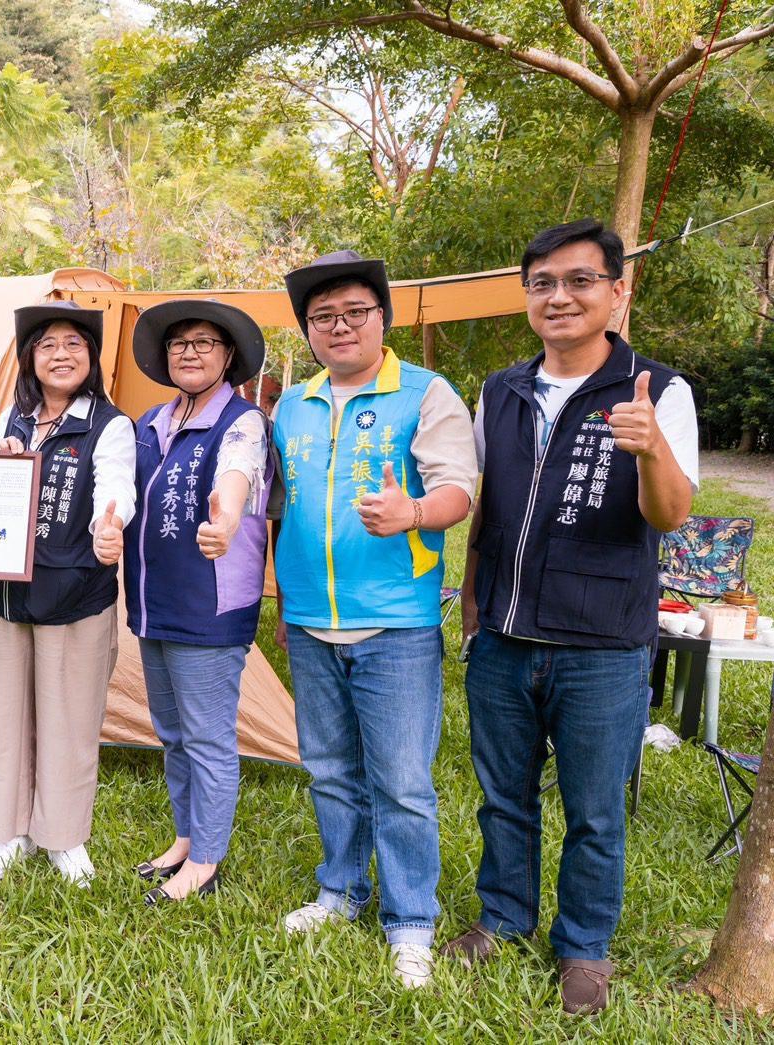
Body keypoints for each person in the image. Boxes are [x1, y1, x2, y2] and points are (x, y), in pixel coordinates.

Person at [444, 219, 698, 1015]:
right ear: (527, 297)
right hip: (504, 638)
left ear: (617, 291)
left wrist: (649, 447)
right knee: (501, 795)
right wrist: (472, 609)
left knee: (593, 810)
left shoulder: (657, 390)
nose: (559, 296)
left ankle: (584, 947)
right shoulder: (501, 389)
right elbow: (487, 508)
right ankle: (503, 918)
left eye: (579, 280)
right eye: (542, 283)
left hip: (601, 645)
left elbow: (669, 517)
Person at [271, 251, 477, 988]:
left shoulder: (424, 393)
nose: (338, 326)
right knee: (328, 769)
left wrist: (411, 512)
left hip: (394, 622)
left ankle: (411, 920)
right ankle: (340, 890)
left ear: (380, 318)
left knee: (400, 781)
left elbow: (459, 489)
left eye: (354, 312)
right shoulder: (291, 404)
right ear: (308, 330)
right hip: (307, 617)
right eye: (322, 317)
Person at [0, 301, 136, 887]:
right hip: (10, 593)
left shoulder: (110, 425)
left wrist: (109, 528)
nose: (61, 354)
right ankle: (7, 833)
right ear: (30, 360)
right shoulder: (12, 420)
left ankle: (64, 837)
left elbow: (116, 487)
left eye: (73, 344)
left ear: (90, 358)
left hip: (75, 591)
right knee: (8, 712)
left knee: (68, 715)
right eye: (47, 346)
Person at [124, 298, 271, 905]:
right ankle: (186, 837)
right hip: (153, 603)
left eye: (205, 342)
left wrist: (226, 520)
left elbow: (235, 475)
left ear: (227, 356)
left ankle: (207, 860)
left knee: (207, 736)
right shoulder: (150, 422)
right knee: (172, 732)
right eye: (180, 343)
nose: (190, 351)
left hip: (210, 606)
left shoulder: (243, 421)